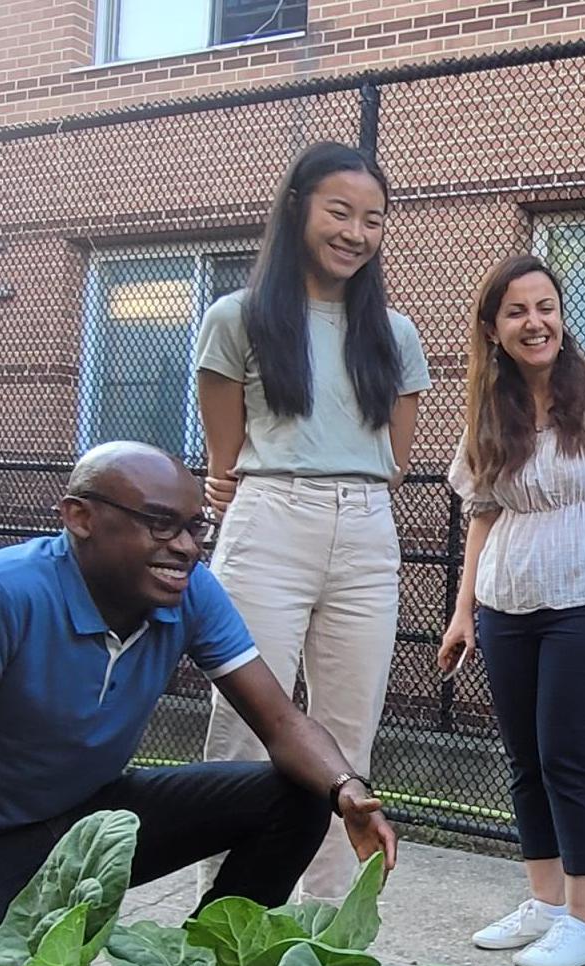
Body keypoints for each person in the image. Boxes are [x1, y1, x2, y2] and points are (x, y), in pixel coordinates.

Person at [0, 443, 397, 949]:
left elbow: (281, 722)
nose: (183, 547)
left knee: (302, 792)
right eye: (160, 523)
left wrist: (347, 788)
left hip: (85, 826)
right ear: (80, 517)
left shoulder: (189, 593)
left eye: (193, 528)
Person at [196, 141, 430, 901]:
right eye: (340, 212)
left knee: (347, 735)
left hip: (366, 529)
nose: (356, 233)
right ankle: (224, 924)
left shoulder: (393, 335)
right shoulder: (237, 319)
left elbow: (394, 455)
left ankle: (330, 928)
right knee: (240, 729)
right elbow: (223, 459)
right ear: (298, 207)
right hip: (268, 518)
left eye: (373, 219)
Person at [438, 255, 585, 966]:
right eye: (517, 312)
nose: (536, 323)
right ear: (494, 330)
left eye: (546, 307)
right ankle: (546, 903)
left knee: (569, 756)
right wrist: (463, 611)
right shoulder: (489, 407)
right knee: (525, 759)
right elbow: (482, 512)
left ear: (561, 316)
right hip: (507, 603)